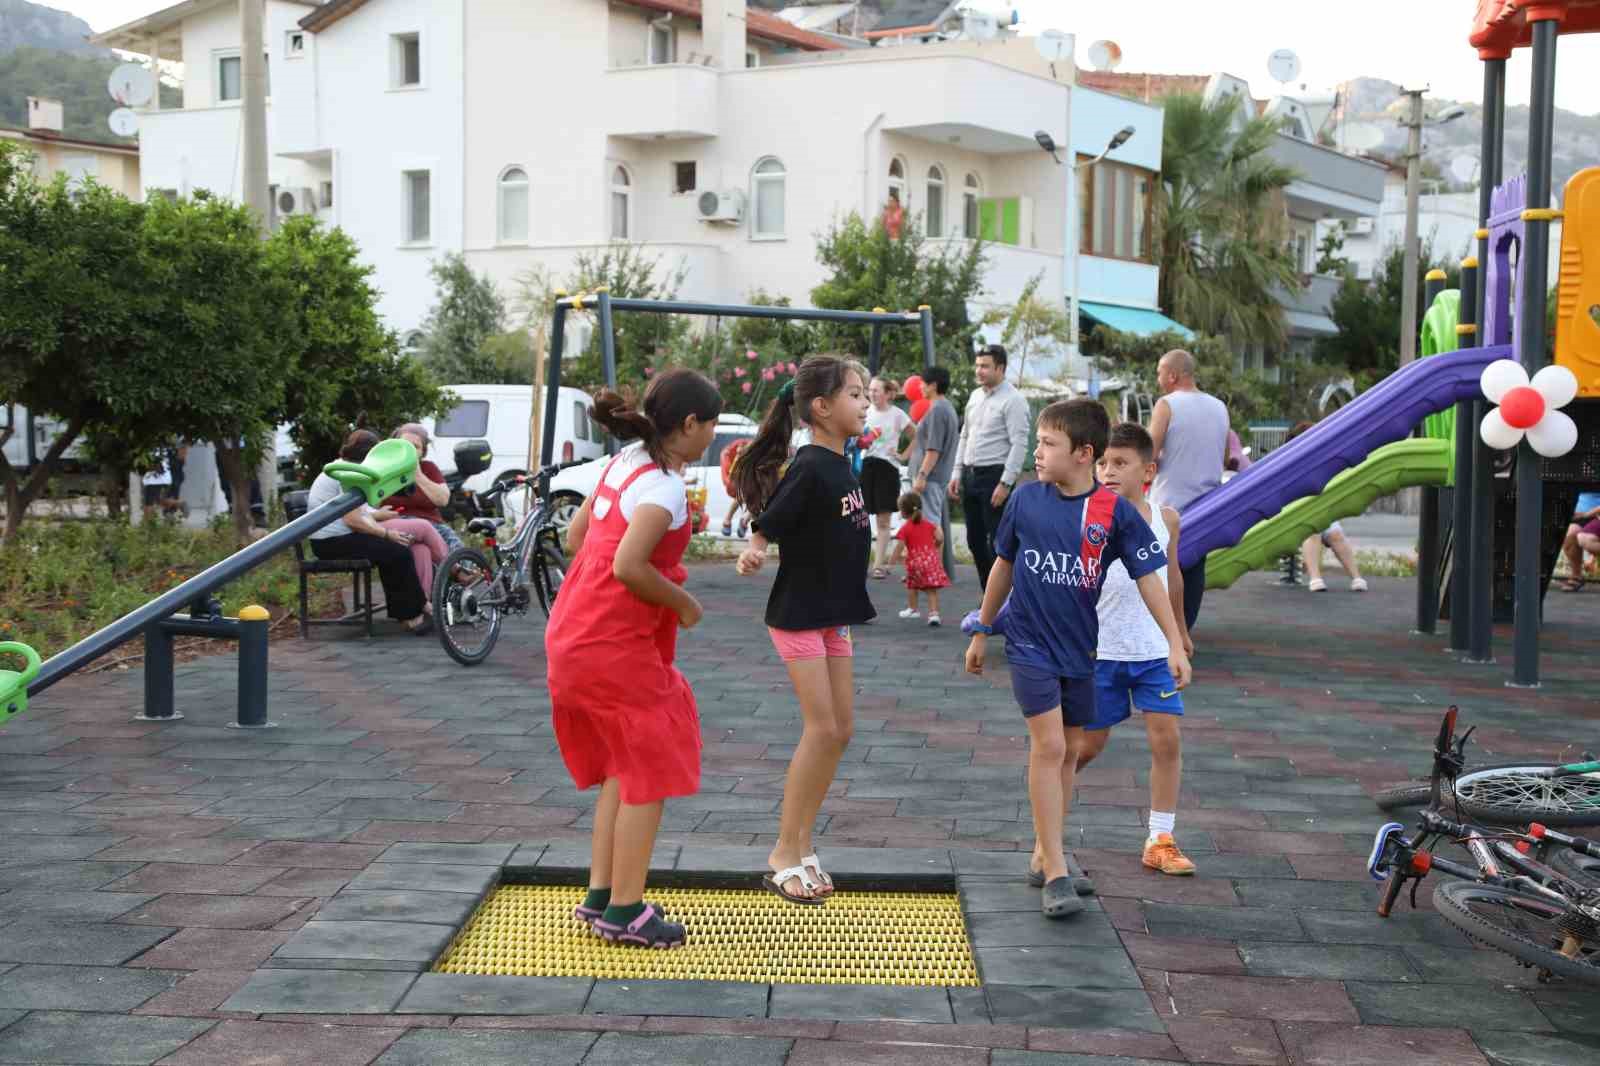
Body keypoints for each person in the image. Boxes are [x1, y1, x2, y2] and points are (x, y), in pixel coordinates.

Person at [964, 399, 1190, 918]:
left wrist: (1174, 641)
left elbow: (1150, 581)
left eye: (1048, 444)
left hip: (1080, 650)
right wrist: (981, 628)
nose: (1037, 453)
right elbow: (1003, 566)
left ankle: (1045, 854)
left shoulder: (1116, 515)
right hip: (1029, 645)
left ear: (1083, 453)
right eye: (1038, 442)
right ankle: (1058, 872)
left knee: (1068, 751)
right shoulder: (1026, 500)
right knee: (1047, 748)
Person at [545, 369, 722, 950]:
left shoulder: (623, 463)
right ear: (690, 424)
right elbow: (628, 565)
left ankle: (601, 896)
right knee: (649, 767)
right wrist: (685, 603)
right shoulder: (666, 488)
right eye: (712, 424)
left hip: (576, 628)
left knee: (624, 767)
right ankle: (627, 910)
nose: (713, 436)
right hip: (611, 645)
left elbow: (576, 540)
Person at [734, 355, 874, 905]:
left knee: (841, 731)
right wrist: (754, 550)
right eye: (856, 395)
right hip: (798, 615)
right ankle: (782, 853)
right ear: (822, 407)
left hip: (833, 616)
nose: (865, 403)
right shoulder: (812, 464)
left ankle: (804, 843)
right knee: (821, 730)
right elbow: (769, 520)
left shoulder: (844, 462)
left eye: (866, 395)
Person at [1080, 423, 1197, 876]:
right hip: (1101, 653)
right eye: (1103, 463)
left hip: (1152, 652)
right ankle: (1046, 826)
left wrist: (1179, 636)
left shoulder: (1165, 519)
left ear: (1147, 470)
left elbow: (1173, 579)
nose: (1108, 471)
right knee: (1086, 747)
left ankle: (1161, 838)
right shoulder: (1087, 517)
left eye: (1120, 463)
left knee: (1167, 740)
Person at [304, 430, 433, 636]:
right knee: (397, 552)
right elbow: (352, 520)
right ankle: (412, 616)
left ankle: (416, 608)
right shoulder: (349, 473)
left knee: (393, 553)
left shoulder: (343, 467)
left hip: (332, 539)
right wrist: (385, 534)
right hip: (332, 543)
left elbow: (356, 509)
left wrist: (379, 514)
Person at [952, 344, 1030, 591]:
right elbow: (965, 434)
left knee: (999, 543)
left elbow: (1020, 443)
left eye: (985, 366)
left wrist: (1006, 483)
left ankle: (1007, 600)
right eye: (977, 365)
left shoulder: (1014, 400)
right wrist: (956, 473)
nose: (979, 370)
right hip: (970, 473)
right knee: (974, 540)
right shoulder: (975, 396)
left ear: (1001, 368)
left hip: (995, 476)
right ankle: (989, 597)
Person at [1284, 422, 1368, 593]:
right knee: (1313, 531)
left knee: (1335, 534)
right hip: (1299, 513)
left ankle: (1356, 577)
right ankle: (1315, 578)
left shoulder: (1324, 461)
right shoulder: (1293, 463)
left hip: (1322, 510)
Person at [908, 366, 960, 581]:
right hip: (934, 477)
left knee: (930, 526)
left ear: (933, 385)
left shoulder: (938, 410)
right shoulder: (944, 408)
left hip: (931, 477)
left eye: (923, 382)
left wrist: (921, 475)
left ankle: (932, 573)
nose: (919, 386)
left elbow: (934, 449)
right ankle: (929, 570)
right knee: (929, 523)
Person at [382, 423, 463, 552]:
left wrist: (418, 476)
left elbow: (443, 500)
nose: (409, 450)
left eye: (415, 447)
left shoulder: (428, 468)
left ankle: (464, 570)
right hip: (398, 523)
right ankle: (457, 571)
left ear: (422, 452)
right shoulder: (383, 468)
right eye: (405, 444)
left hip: (433, 523)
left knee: (455, 546)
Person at [862, 377, 914, 579]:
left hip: (888, 467)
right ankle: (860, 561)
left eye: (876, 390)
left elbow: (916, 436)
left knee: (884, 520)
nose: (872, 393)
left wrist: (903, 455)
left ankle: (878, 565)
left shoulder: (897, 414)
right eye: (870, 390)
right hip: (867, 466)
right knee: (861, 518)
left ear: (887, 393)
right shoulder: (865, 411)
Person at [891, 491, 949, 626]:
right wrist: (935, 546)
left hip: (915, 562)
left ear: (904, 512)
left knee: (912, 585)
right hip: (930, 560)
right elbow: (940, 537)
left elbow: (899, 547)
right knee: (931, 590)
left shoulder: (905, 528)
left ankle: (913, 609)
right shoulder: (929, 524)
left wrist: (890, 562)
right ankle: (934, 614)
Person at [1559, 491, 1600, 591]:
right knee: (1570, 534)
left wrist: (1585, 515)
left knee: (1586, 540)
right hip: (1580, 514)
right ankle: (1577, 576)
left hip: (1596, 515)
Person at [719, 436, 751, 539]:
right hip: (735, 480)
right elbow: (729, 478)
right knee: (742, 493)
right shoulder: (730, 454)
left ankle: (744, 520)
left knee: (762, 500)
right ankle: (728, 519)